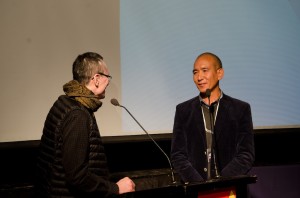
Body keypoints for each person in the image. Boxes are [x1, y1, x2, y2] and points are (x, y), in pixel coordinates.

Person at [35, 52, 135, 197]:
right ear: (96, 79)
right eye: (108, 77)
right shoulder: (77, 114)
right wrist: (115, 188)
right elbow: (77, 176)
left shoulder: (66, 102)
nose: (108, 81)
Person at [170, 52, 255, 183]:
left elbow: (246, 155)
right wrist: (199, 185)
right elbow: (178, 155)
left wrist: (221, 182)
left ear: (219, 73)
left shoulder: (240, 109)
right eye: (195, 72)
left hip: (228, 189)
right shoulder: (183, 110)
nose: (199, 77)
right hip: (196, 189)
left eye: (205, 70)